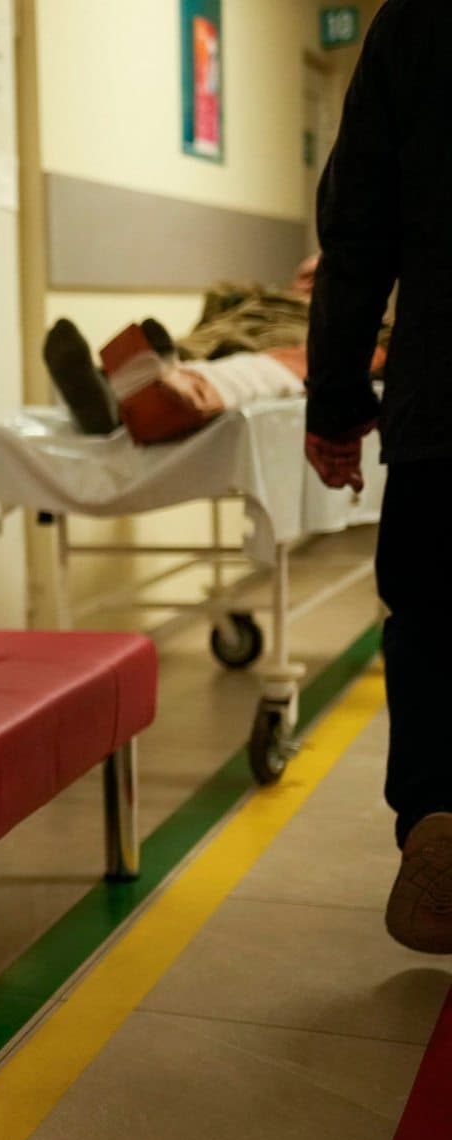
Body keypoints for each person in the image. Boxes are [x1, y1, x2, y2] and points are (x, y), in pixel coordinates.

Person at [303, 0, 452, 954]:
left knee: (436, 619)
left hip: (445, 402)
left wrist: (336, 404)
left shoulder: (415, 25)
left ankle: (439, 811)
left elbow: (357, 234)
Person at [40, 256, 386, 442]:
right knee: (172, 353)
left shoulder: (349, 323)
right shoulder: (254, 301)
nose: (311, 282)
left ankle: (132, 400)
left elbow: (372, 358)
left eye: (323, 276)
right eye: (305, 276)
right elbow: (214, 304)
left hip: (266, 354)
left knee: (237, 370)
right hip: (204, 345)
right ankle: (109, 390)